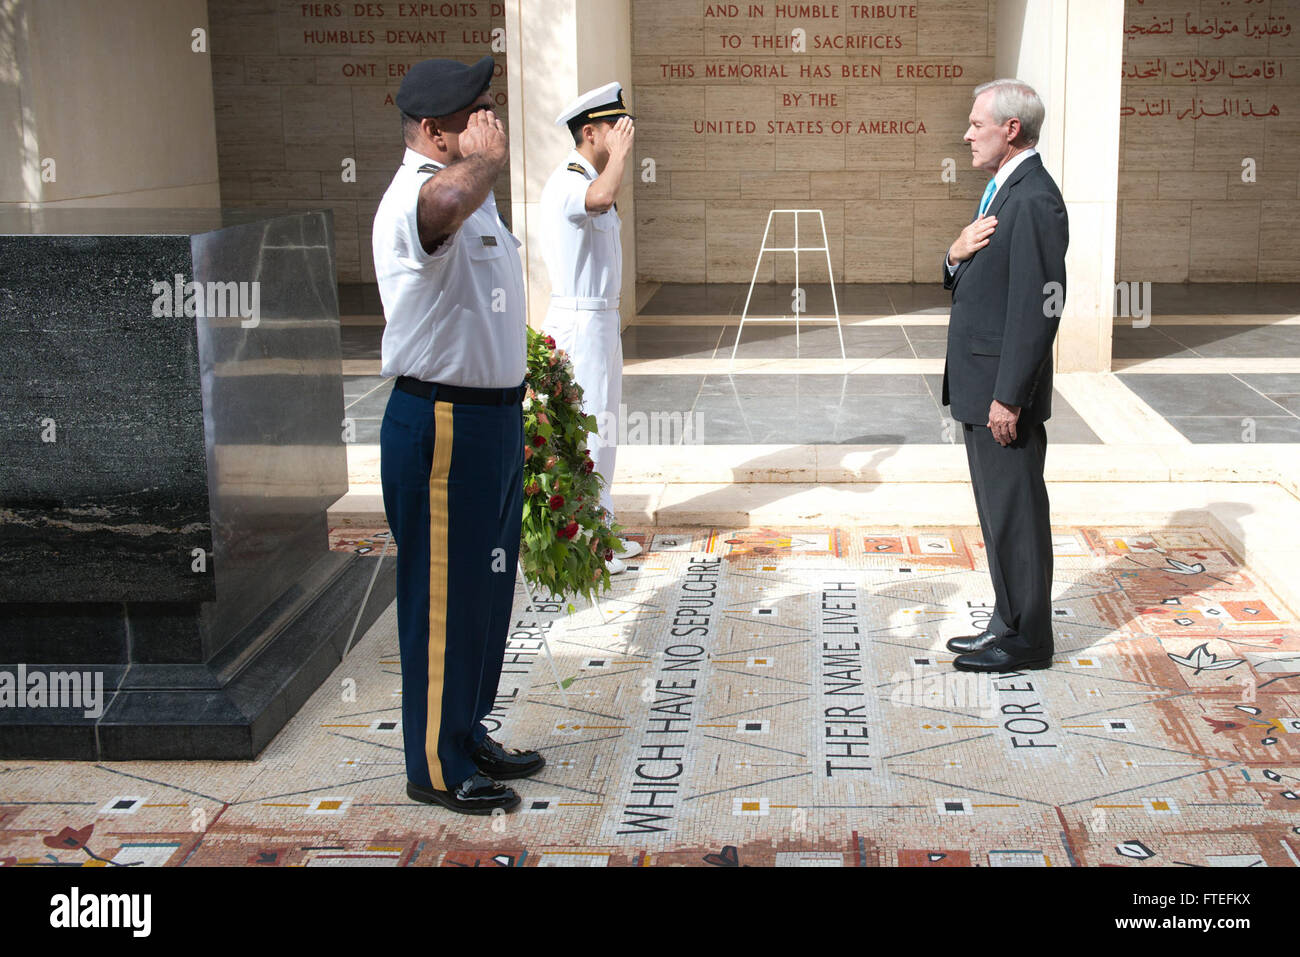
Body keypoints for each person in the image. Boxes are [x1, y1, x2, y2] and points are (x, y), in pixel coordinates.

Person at [372, 56, 544, 814]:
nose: (491, 121)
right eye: (477, 111)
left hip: (492, 421)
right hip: (441, 422)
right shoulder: (420, 195)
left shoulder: (475, 196)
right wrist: (483, 164)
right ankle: (434, 766)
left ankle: (466, 729)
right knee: (442, 598)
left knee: (484, 592)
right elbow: (439, 206)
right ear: (436, 130)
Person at [940, 78, 1069, 674]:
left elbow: (1039, 308)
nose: (966, 134)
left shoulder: (1035, 199)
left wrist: (1009, 397)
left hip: (1001, 395)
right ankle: (1007, 620)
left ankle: (1028, 641)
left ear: (1010, 130)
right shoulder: (1002, 189)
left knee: (1016, 514)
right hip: (979, 386)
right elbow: (978, 276)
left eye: (975, 124)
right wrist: (954, 253)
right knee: (997, 513)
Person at [540, 82, 641, 574]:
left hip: (599, 319)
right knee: (586, 429)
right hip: (580, 321)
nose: (623, 137)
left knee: (604, 425)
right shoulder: (572, 180)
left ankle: (600, 529)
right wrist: (619, 158)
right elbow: (600, 198)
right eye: (614, 130)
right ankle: (584, 541)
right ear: (589, 131)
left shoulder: (585, 175)